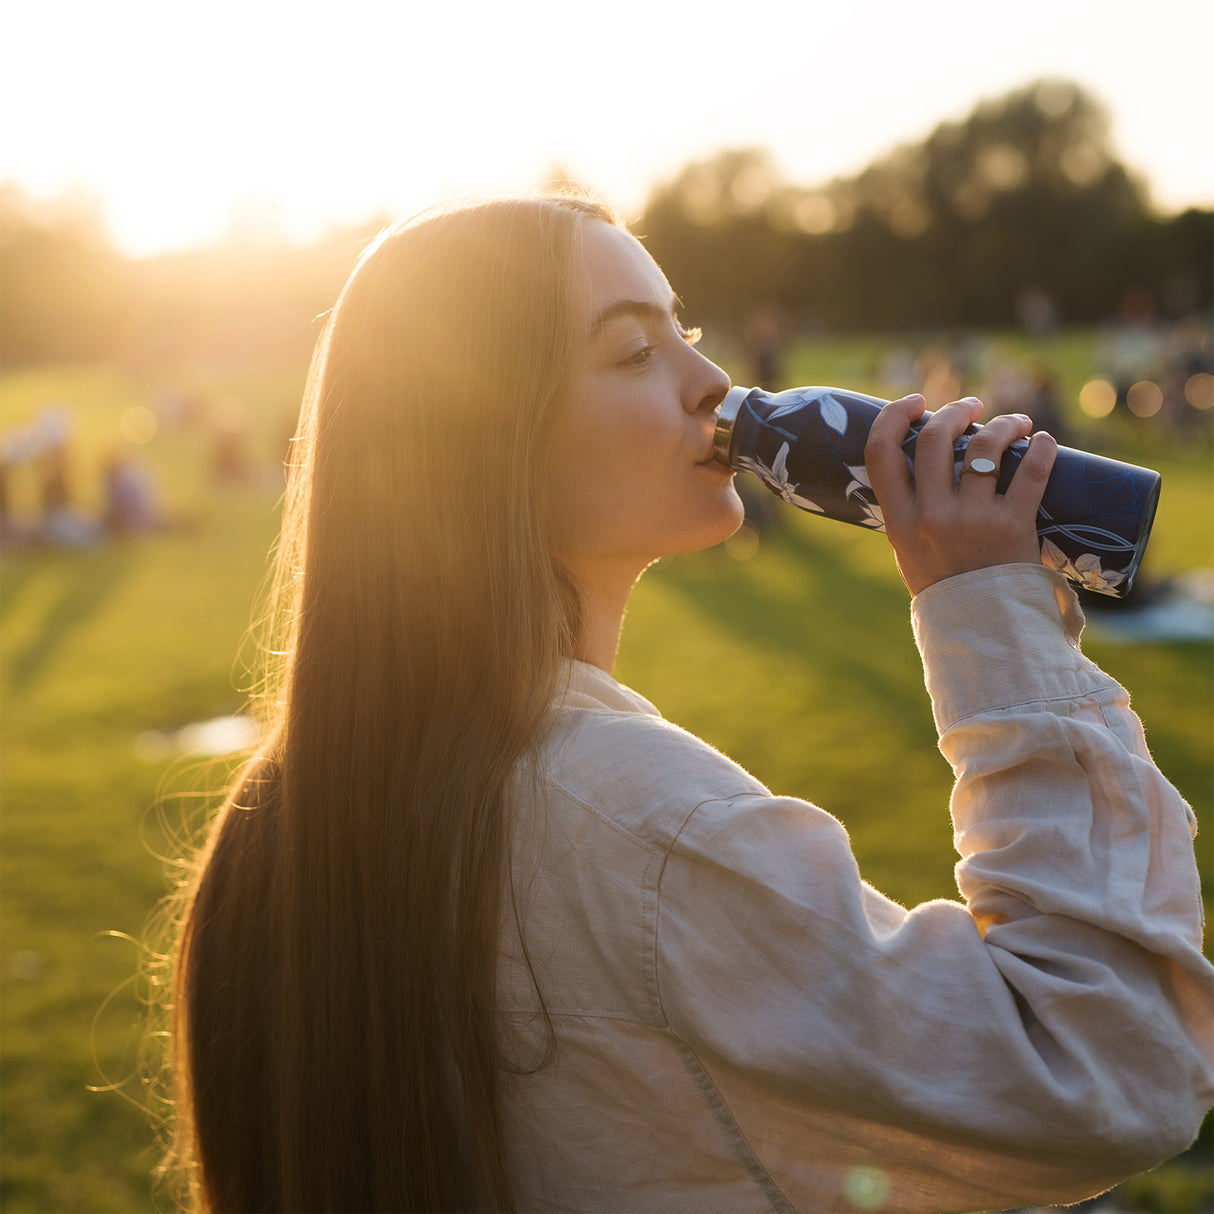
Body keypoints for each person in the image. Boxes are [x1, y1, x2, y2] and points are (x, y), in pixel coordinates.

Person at [163, 193, 1212, 1213]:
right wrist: (990, 619)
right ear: (475, 439)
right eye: (632, 352)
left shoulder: (273, 822)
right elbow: (1107, 1067)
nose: (709, 382)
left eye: (687, 332)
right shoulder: (640, 821)